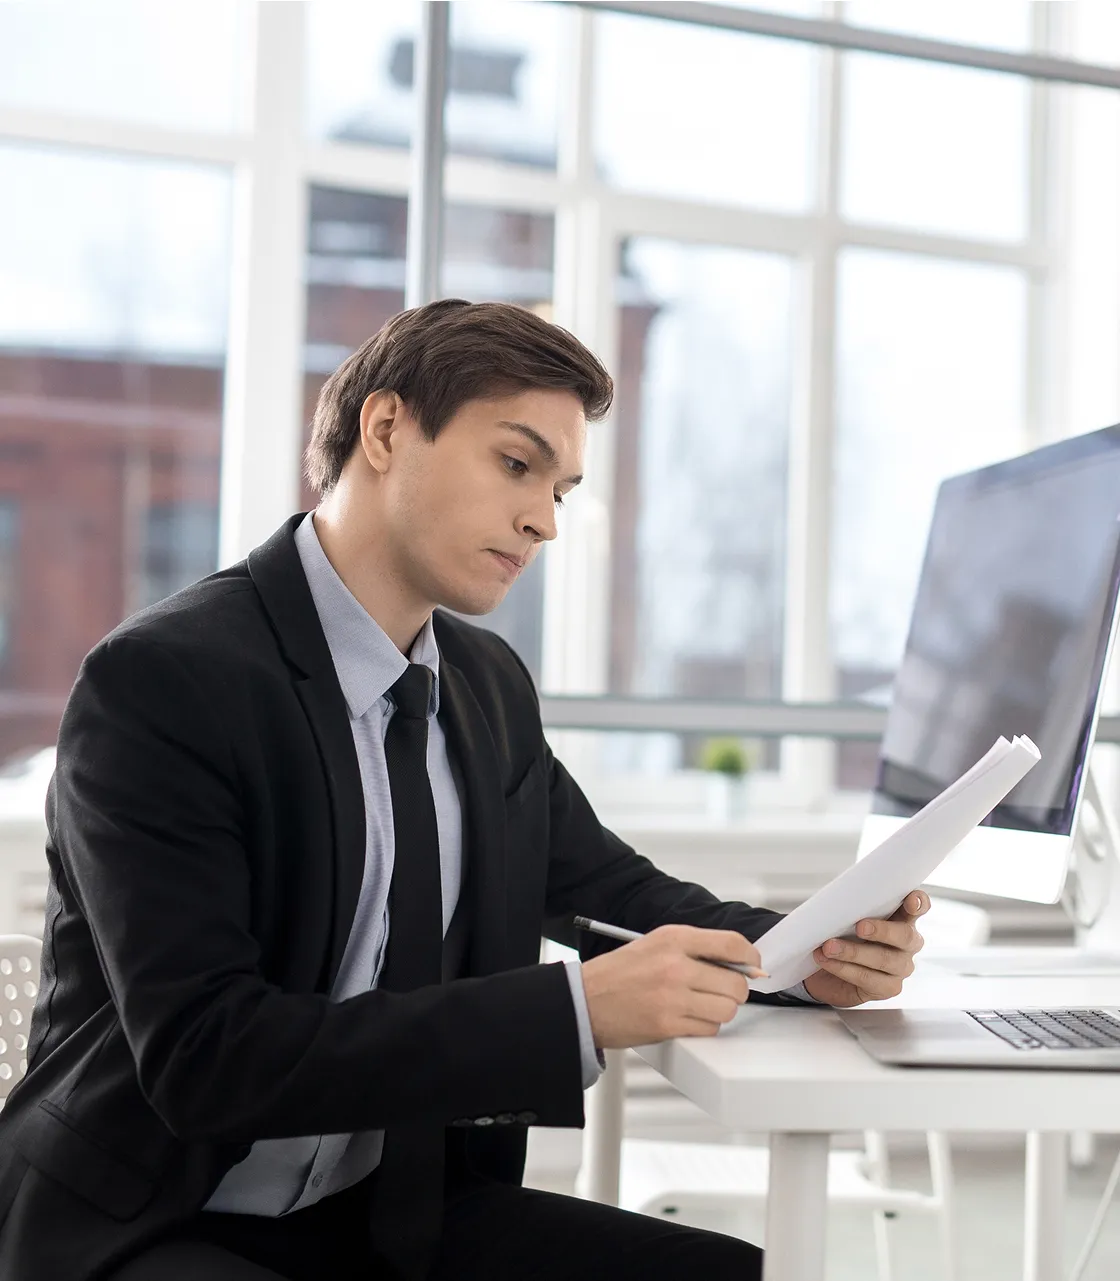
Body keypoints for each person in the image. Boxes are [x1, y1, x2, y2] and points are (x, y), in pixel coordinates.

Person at [0, 300, 929, 1281]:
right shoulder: (162, 684)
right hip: (150, 1222)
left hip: (388, 1214)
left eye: (562, 489)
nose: (544, 520)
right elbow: (207, 1057)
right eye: (517, 465)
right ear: (388, 428)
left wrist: (802, 950)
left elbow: (612, 893)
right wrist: (571, 1010)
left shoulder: (486, 689)